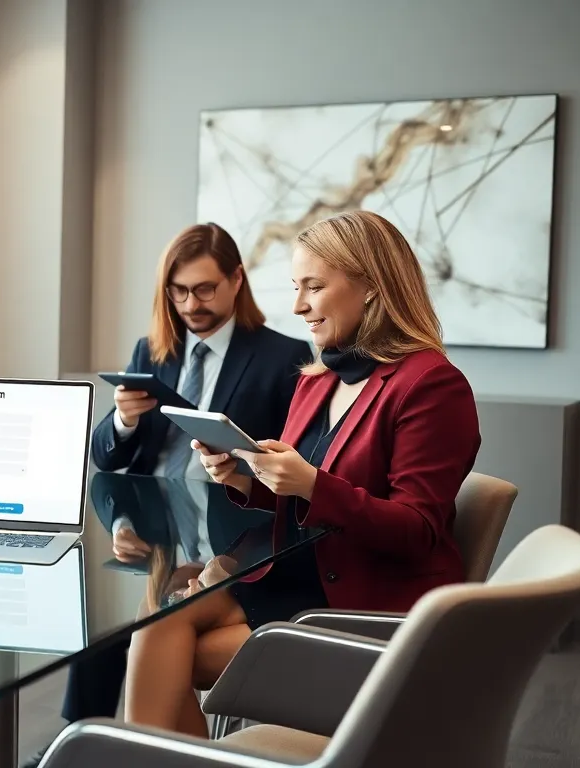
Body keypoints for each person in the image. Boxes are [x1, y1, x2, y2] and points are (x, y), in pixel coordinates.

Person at [120, 209, 479, 738]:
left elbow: (418, 530)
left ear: (371, 288)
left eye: (314, 286)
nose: (297, 306)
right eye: (296, 287)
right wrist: (244, 477)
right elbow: (301, 501)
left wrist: (310, 482)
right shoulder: (317, 379)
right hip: (293, 577)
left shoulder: (432, 385)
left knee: (175, 657)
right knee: (155, 620)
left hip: (358, 603)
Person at [20, 224, 311, 766]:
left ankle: (98, 746)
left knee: (140, 627)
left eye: (203, 289)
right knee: (97, 617)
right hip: (151, 523)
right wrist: (124, 422)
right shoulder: (154, 350)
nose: (190, 304)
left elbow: (291, 462)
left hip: (232, 530)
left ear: (236, 280)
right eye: (177, 292)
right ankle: (75, 735)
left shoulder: (283, 356)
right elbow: (106, 457)